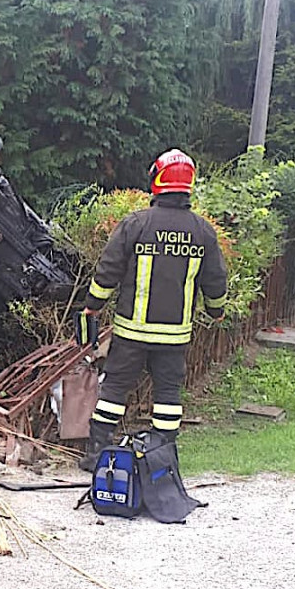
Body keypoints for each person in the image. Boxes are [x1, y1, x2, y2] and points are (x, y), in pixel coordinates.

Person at [79, 149, 228, 472]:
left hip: (131, 333)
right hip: (174, 337)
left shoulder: (136, 224)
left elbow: (107, 272)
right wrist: (217, 312)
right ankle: (162, 462)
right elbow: (215, 281)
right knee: (168, 397)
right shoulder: (202, 231)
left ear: (156, 180)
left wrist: (92, 307)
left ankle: (96, 455)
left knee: (114, 389)